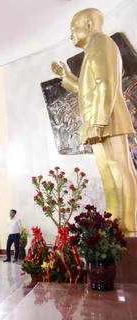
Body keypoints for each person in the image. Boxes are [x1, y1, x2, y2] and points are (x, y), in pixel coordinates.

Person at [51, 8, 137, 232]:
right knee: (109, 173)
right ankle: (114, 223)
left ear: (88, 26)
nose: (70, 34)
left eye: (73, 28)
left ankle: (128, 227)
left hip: (108, 118)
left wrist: (99, 121)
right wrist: (65, 77)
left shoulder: (102, 43)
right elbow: (86, 89)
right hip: (98, 120)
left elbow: (106, 84)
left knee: (121, 168)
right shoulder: (92, 50)